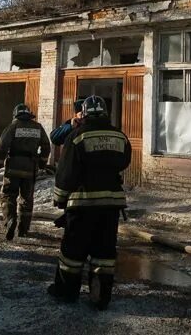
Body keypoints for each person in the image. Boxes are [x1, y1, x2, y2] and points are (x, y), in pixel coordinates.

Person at [48, 95, 131, 310]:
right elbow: (125, 161)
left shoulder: (76, 137)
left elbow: (65, 172)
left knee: (73, 252)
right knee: (104, 252)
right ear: (105, 113)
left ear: (83, 114)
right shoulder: (119, 136)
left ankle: (66, 293)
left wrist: (59, 199)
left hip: (82, 205)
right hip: (111, 205)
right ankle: (100, 297)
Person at [0, 103, 50, 240]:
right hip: (30, 168)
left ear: (15, 114)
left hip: (13, 168)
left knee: (8, 195)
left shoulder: (13, 126)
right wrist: (42, 162)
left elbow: (2, 147)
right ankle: (23, 229)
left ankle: (10, 219)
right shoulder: (38, 127)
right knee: (27, 199)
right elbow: (46, 146)